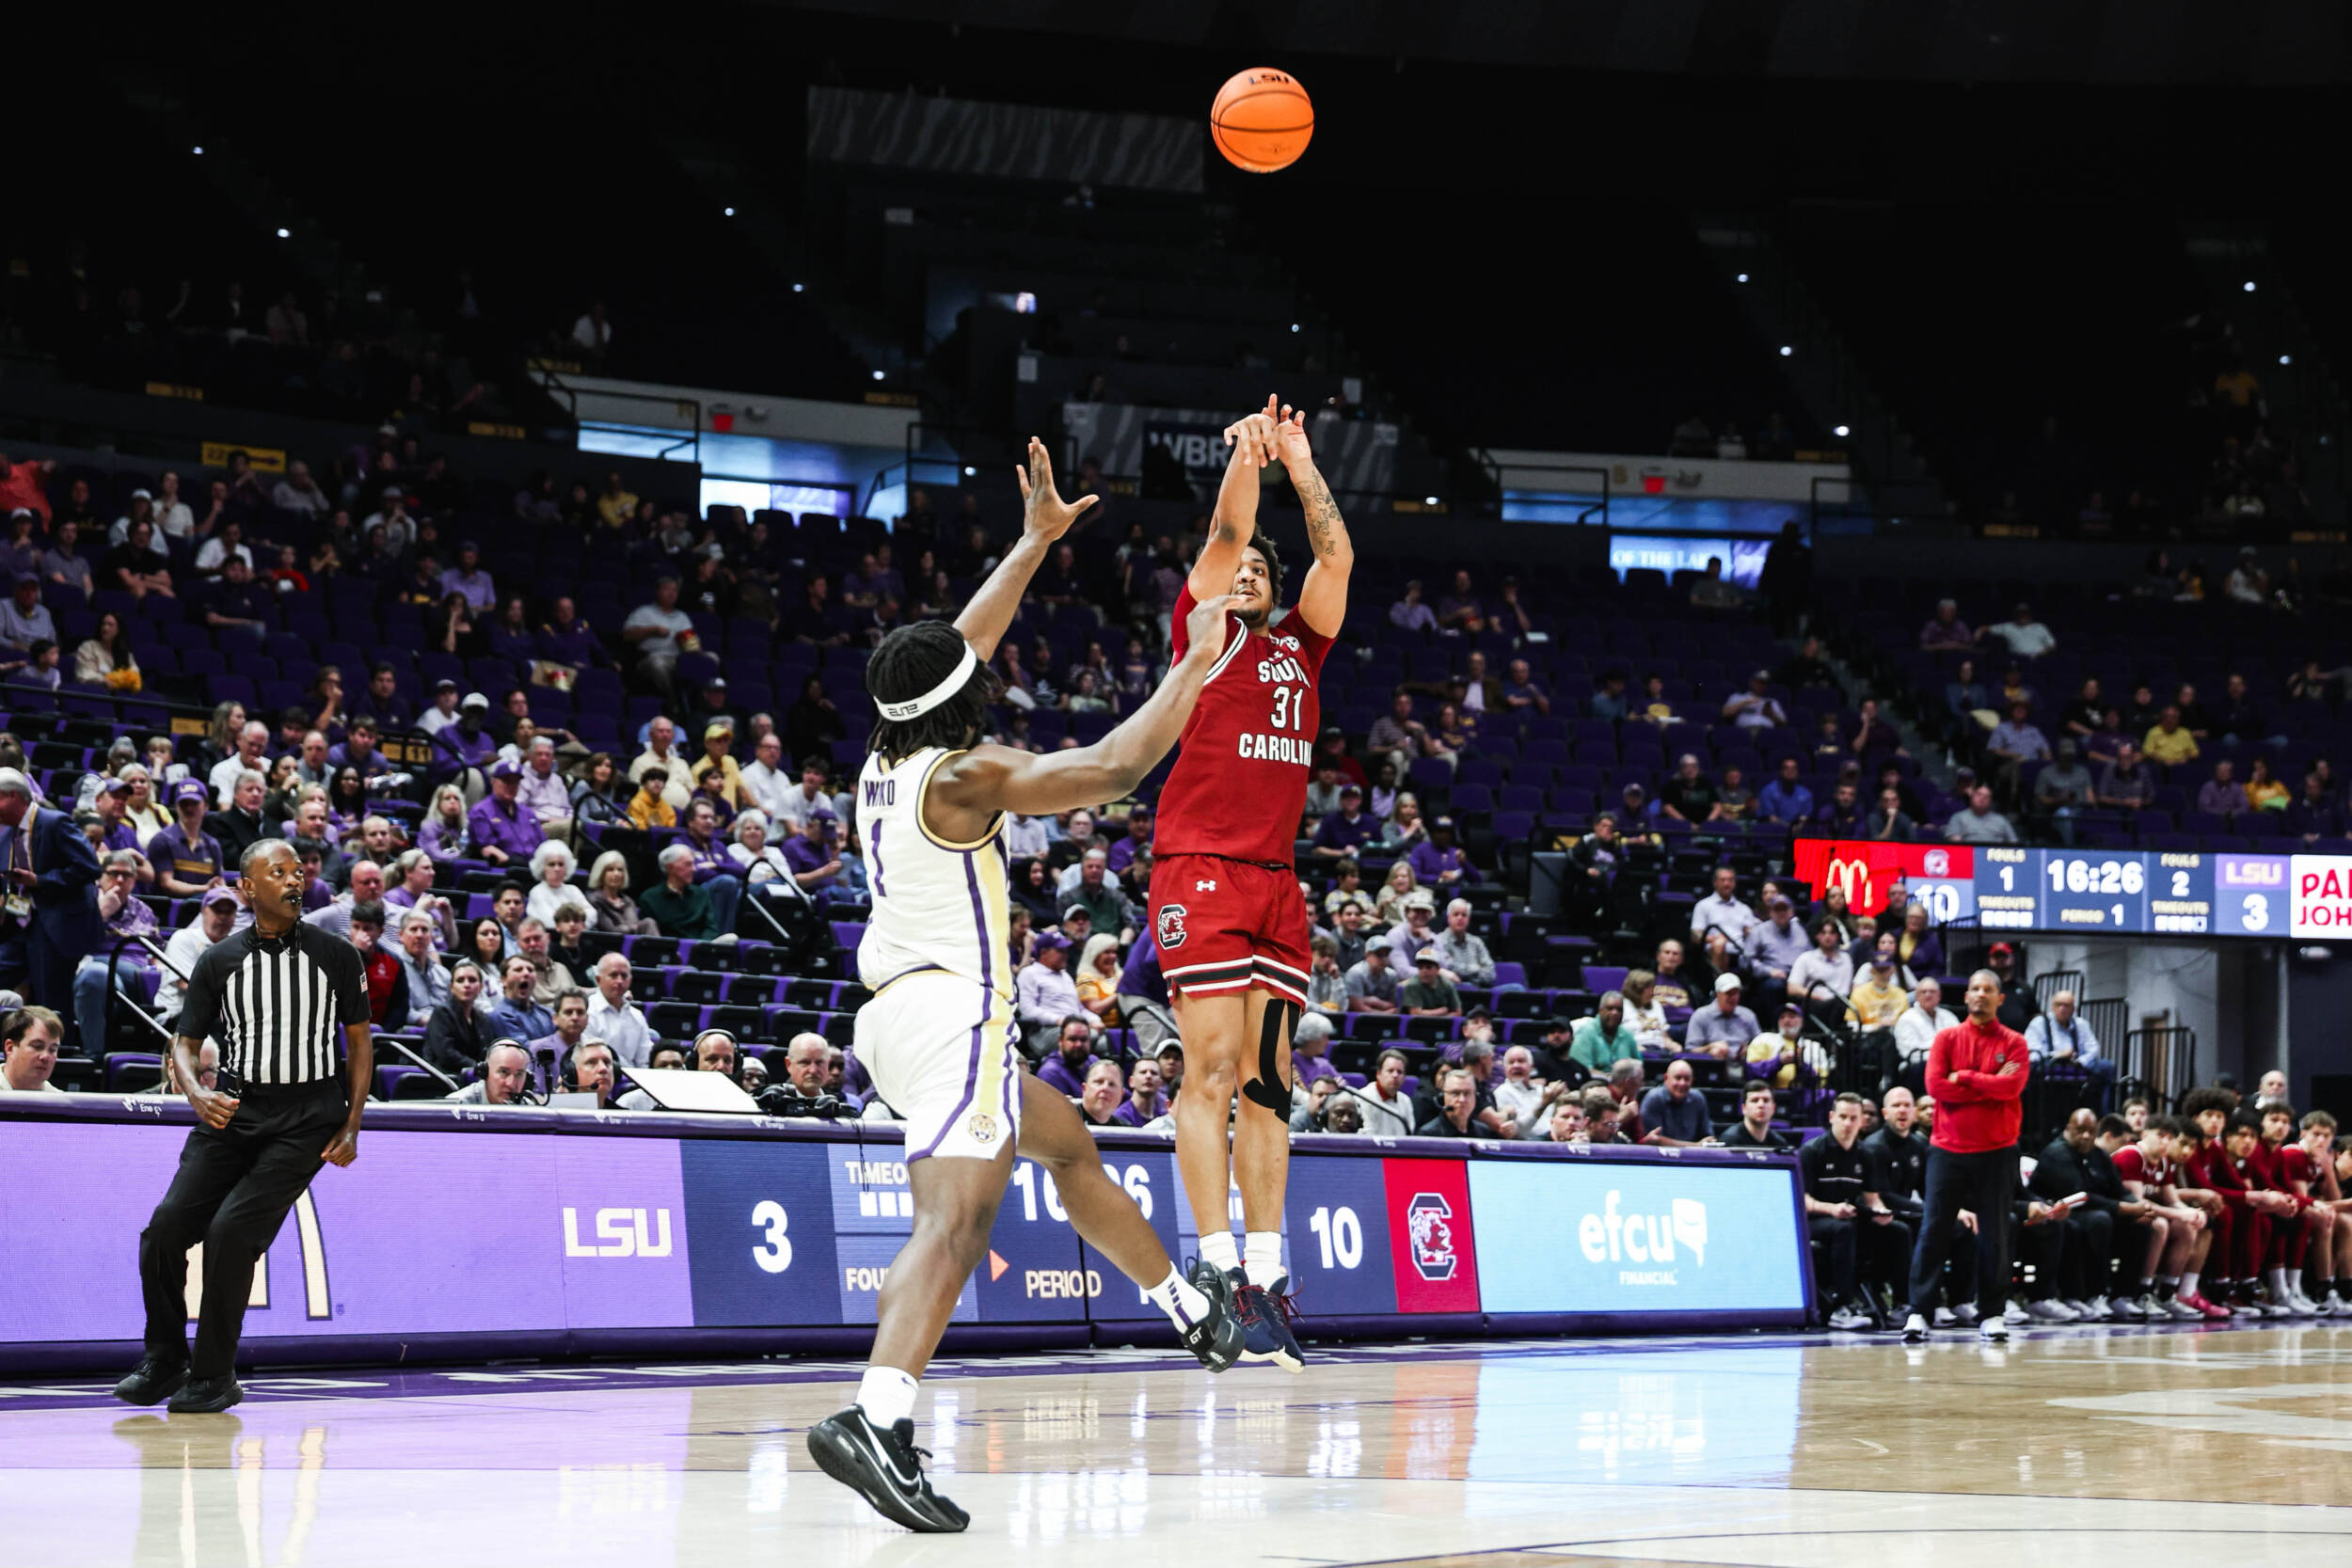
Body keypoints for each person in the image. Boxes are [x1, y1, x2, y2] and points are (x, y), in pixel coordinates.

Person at [807, 438, 1248, 1535]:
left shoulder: (888, 751)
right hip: (953, 1011)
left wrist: (1034, 541)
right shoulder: (968, 773)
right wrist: (1193, 662)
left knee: (1064, 1141)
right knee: (956, 1221)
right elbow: (1108, 769)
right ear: (966, 697)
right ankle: (877, 1416)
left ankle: (1183, 1301)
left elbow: (955, 647)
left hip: (900, 1015)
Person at [1124, 399, 1353, 1379]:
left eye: (1266, 569)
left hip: (1274, 881)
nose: (1253, 572)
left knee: (1270, 1086)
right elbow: (1225, 531)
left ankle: (1265, 1277)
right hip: (1202, 867)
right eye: (1245, 569)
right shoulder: (1205, 634)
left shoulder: (1301, 646)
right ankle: (1212, 1266)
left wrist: (1303, 464)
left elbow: (1335, 562)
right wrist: (1251, 461)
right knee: (1207, 1071)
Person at [115, 839, 372, 1415]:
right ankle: (164, 1359)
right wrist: (197, 1093)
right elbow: (183, 1043)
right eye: (277, 873)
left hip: (306, 1118)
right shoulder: (219, 959)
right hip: (230, 1111)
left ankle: (214, 1376)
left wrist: (352, 1124)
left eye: (298, 871)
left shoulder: (335, 954)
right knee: (164, 1231)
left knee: (232, 1234)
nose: (293, 880)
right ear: (248, 889)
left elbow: (359, 1043)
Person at [1901, 970, 2029, 1343]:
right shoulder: (1946, 1038)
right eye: (1974, 988)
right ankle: (1919, 1313)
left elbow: (2012, 1087)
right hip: (1947, 1149)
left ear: (1999, 999)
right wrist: (1987, 1081)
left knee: (1996, 1235)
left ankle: (1992, 1313)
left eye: (1988, 989)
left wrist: (1967, 1077)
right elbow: (1936, 1086)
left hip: (1998, 1150)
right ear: (1967, 996)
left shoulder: (2016, 1043)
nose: (1980, 995)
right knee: (1934, 1231)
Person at [0, 768, 103, 1022]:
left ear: (12, 796)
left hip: (56, 926)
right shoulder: (7, 832)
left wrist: (41, 881)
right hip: (20, 922)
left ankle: (63, 1059)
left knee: (51, 1004)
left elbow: (89, 867)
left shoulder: (54, 822)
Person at [1805, 1092, 1913, 1329]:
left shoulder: (1866, 1154)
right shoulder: (1813, 1151)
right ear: (1831, 1117)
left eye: (1853, 1118)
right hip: (1814, 1222)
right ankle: (1842, 1307)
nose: (1847, 1123)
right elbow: (1802, 1200)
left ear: (1861, 1120)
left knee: (1899, 1231)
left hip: (1849, 1218)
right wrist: (1832, 1209)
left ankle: (1901, 1304)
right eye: (1842, 1117)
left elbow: (1872, 1198)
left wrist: (1881, 1212)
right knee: (1843, 1229)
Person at [2025, 990, 2117, 1114]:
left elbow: (2093, 1048)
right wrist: (2057, 1056)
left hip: (2076, 1066)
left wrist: (2080, 1061)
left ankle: (2104, 1115)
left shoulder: (2080, 1024)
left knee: (2107, 1067)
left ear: (2073, 1009)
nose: (2062, 1009)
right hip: (2049, 1066)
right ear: (2052, 1006)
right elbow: (2032, 1052)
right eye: (2058, 1004)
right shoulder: (2039, 1023)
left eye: (2066, 1005)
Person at [1640, 1059, 1713, 1147]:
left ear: (1692, 1080)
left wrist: (1709, 1142)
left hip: (1693, 1157)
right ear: (1666, 1079)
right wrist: (1696, 1146)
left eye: (1687, 1079)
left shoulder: (1698, 1098)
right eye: (1678, 1078)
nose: (1682, 1083)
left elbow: (1707, 1136)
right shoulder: (1653, 1098)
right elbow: (1655, 1140)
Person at [1685, 973, 1759, 1059]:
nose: (1733, 998)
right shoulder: (1701, 1015)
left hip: (1744, 1063)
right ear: (1717, 994)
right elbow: (1690, 1051)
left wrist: (1749, 1049)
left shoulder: (1748, 1015)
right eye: (1729, 993)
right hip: (1713, 1064)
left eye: (1736, 993)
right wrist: (1709, 1047)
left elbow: (1760, 1044)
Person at [0, 1004, 64, 1093]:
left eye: (52, 1050)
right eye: (37, 1047)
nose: (45, 1057)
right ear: (10, 1048)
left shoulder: (60, 1102)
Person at [1719, 1081, 1788, 1150]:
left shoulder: (1779, 1144)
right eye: (1755, 1100)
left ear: (1773, 1108)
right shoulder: (1730, 1141)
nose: (1761, 1105)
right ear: (1744, 1108)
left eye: (1766, 1100)